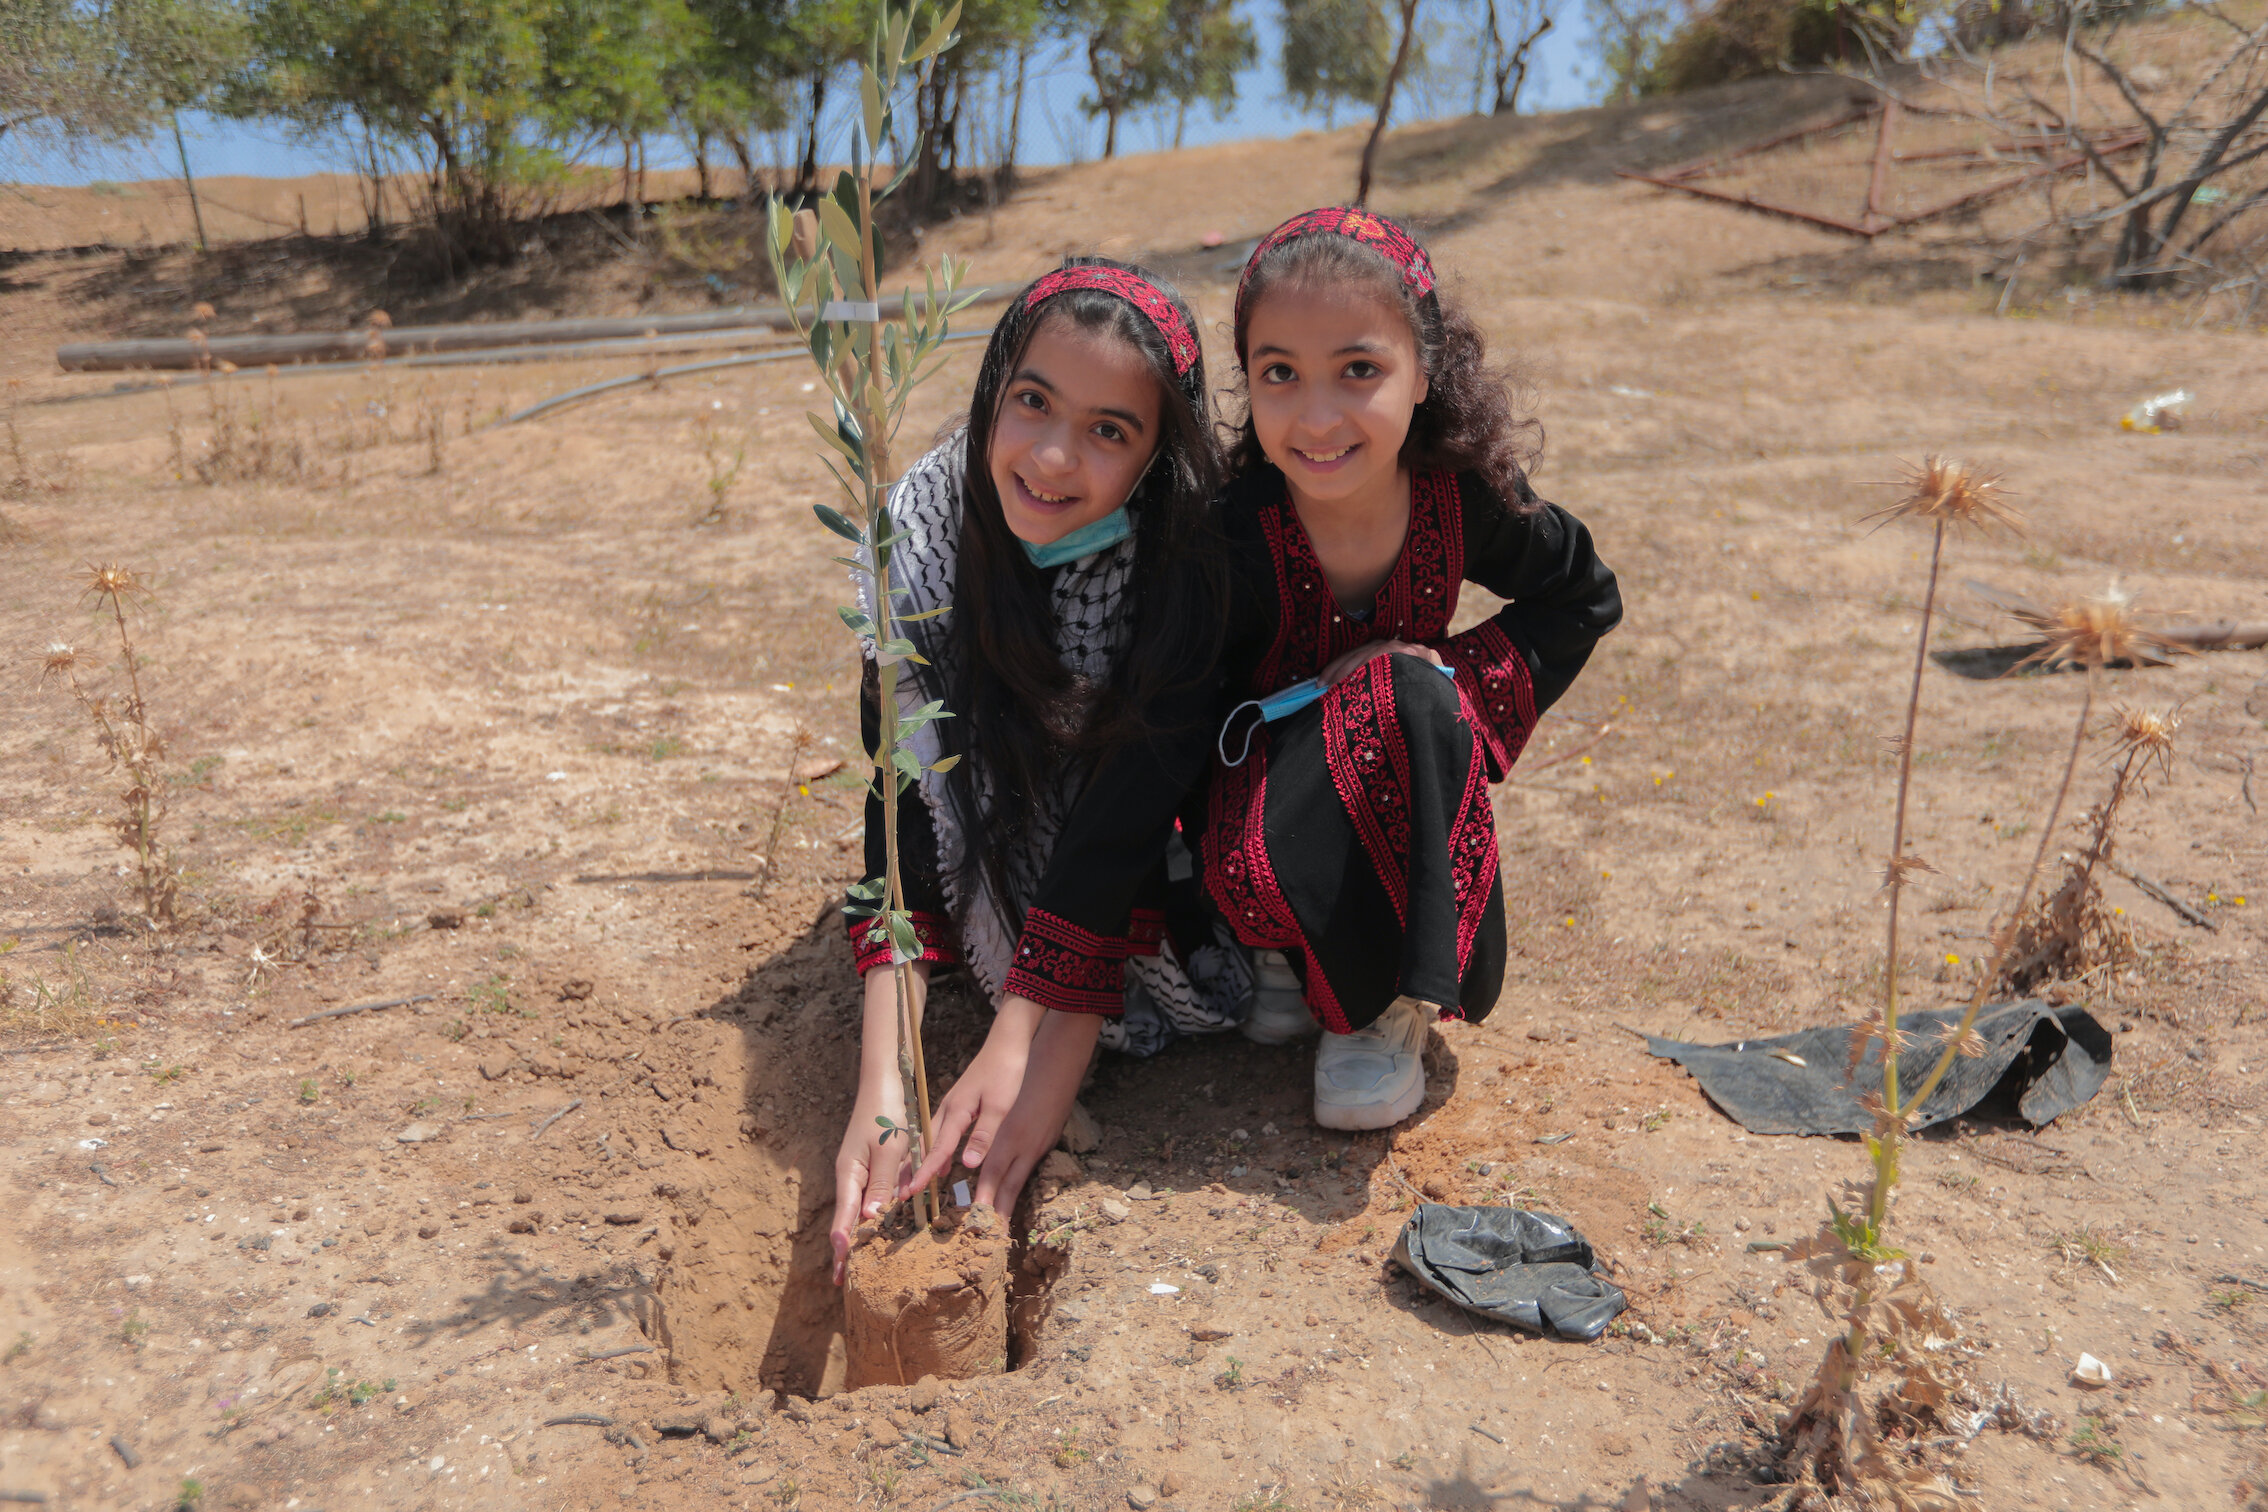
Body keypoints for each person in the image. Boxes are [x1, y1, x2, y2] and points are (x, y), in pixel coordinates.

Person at [829, 260, 1236, 1282]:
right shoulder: (913, 548)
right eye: (1033, 402)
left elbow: (1133, 826)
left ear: (1154, 457)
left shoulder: (1182, 567)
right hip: (997, 856)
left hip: (1149, 874)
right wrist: (883, 1089)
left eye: (1111, 431)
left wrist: (1047, 1047)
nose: (1053, 457)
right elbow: (907, 835)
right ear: (993, 389)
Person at [1200, 207, 1622, 1131]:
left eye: (1359, 370)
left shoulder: (1461, 494)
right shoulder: (1229, 530)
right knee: (1379, 706)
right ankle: (1283, 948)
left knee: (1411, 699)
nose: (1317, 418)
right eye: (1280, 374)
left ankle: (1379, 1008)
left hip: (1389, 773)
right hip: (1249, 832)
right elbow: (1172, 715)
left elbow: (1580, 598)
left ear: (1426, 371)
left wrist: (1443, 680)